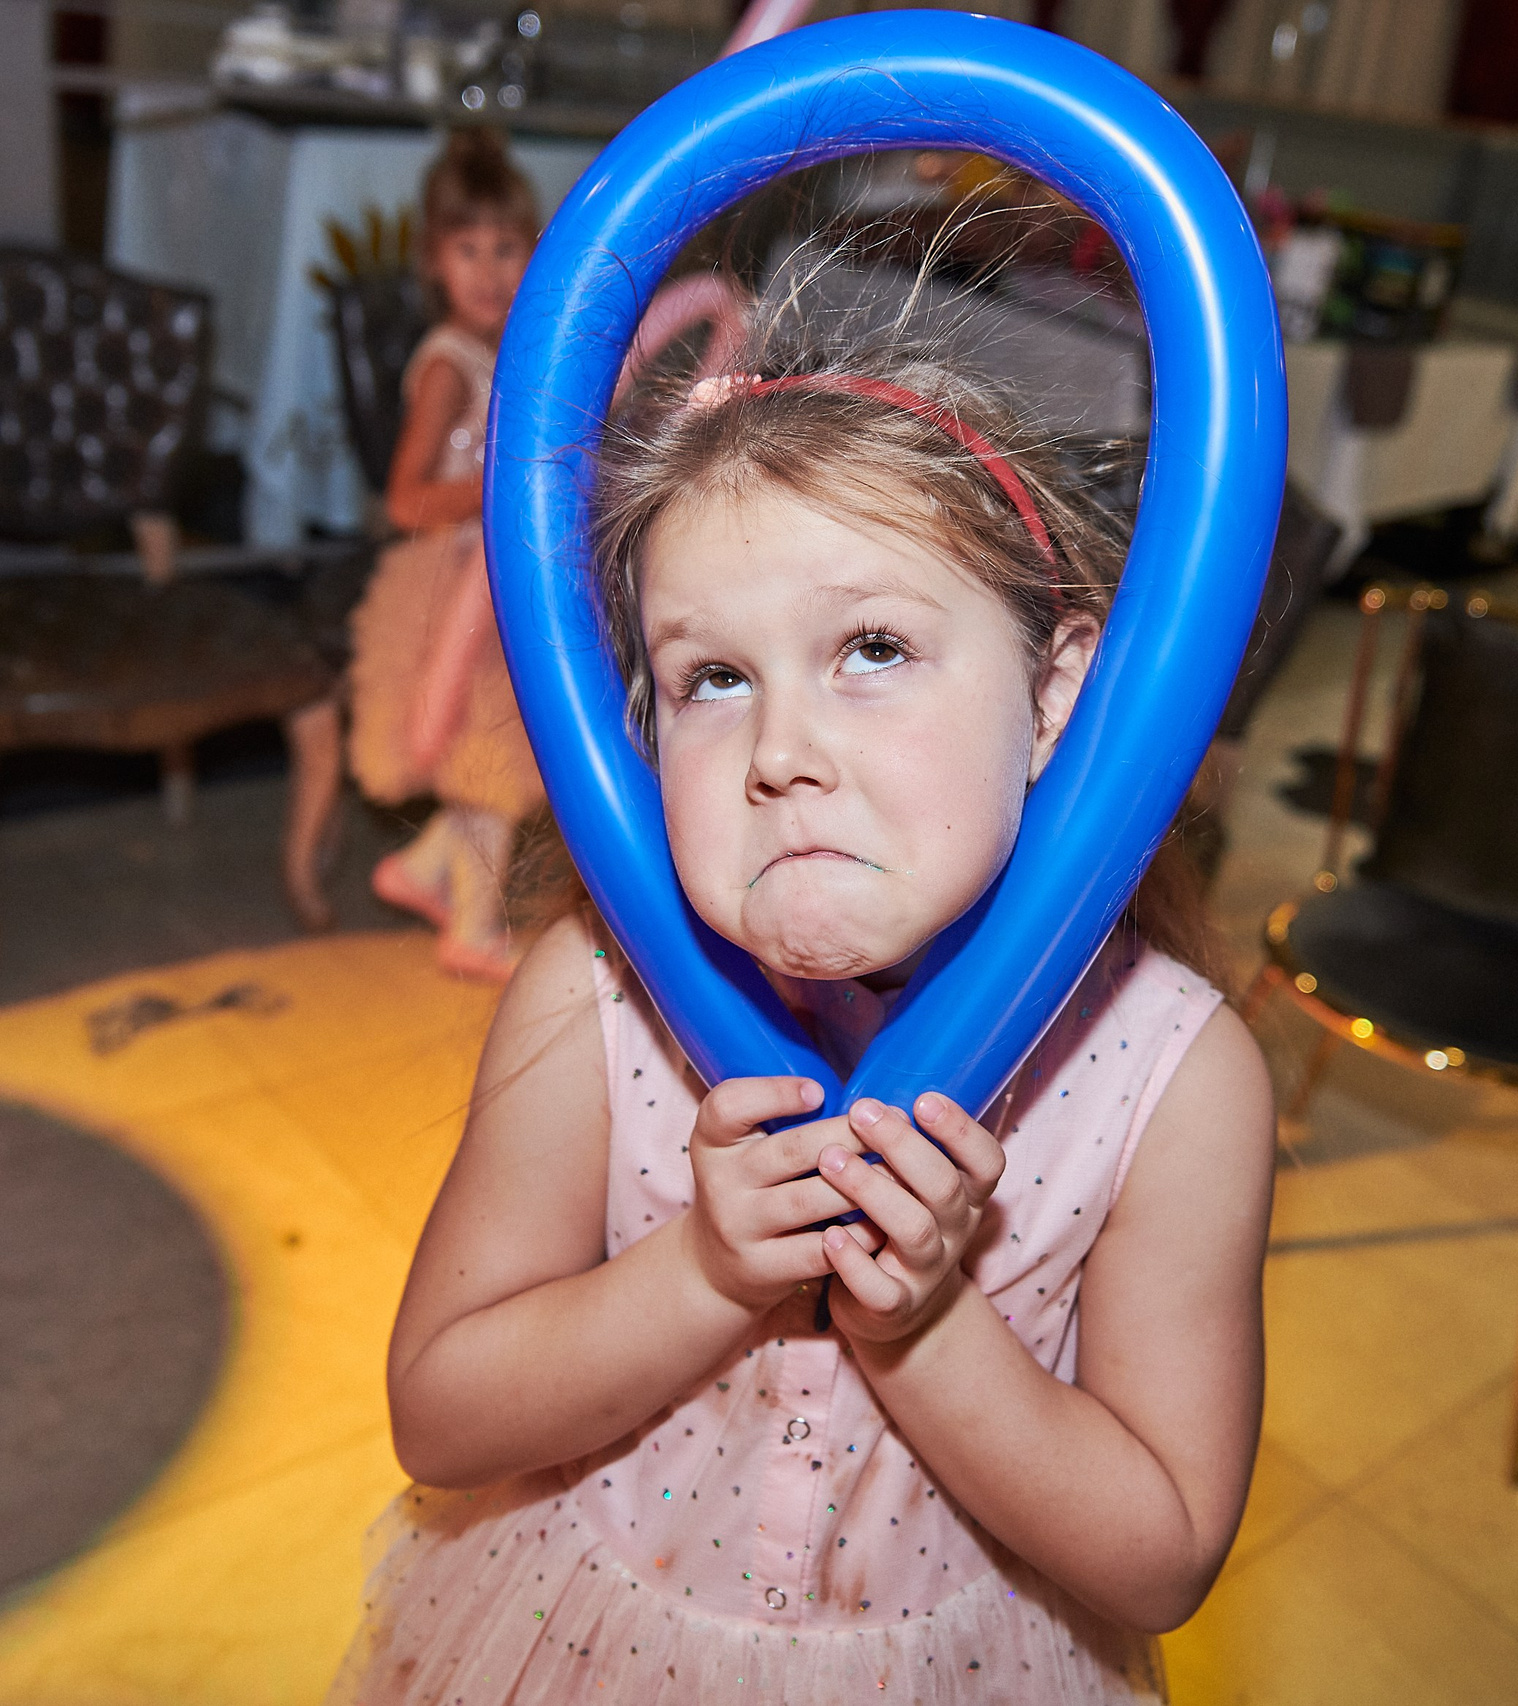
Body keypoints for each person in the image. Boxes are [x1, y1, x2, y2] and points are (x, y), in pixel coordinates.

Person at [329, 329, 1278, 1703]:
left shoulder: (1175, 1079)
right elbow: (440, 1413)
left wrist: (925, 1323)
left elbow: (1164, 1554)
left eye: (873, 647)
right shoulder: (590, 997)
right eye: (713, 678)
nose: (780, 753)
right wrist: (707, 1268)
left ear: (1057, 689)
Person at [348, 128, 542, 982]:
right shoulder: (449, 366)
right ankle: (474, 927)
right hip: (449, 584)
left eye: (507, 248)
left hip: (495, 583)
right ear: (434, 260)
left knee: (493, 754)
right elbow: (404, 499)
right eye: (468, 250)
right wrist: (501, 486)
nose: (491, 272)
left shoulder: (510, 352)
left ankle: (423, 868)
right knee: (489, 757)